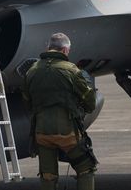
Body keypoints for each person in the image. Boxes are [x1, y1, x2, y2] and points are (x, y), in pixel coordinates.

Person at [22, 33, 98, 190]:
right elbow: (90, 103)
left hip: (41, 132)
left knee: (48, 175)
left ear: (48, 48)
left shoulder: (32, 71)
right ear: (64, 50)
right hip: (67, 133)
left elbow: (27, 101)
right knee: (86, 169)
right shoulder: (72, 71)